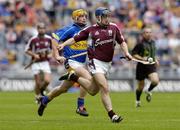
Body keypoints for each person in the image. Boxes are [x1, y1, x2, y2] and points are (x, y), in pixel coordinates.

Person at [48, 7, 132, 123]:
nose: (107, 19)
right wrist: (61, 48)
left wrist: (126, 52)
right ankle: (112, 115)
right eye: (104, 17)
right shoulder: (90, 30)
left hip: (105, 64)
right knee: (104, 87)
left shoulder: (114, 27)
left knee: (92, 91)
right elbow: (73, 39)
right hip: (93, 62)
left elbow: (122, 42)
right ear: (98, 18)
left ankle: (70, 80)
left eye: (108, 16)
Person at [37, 9, 90, 117]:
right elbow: (54, 39)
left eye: (85, 16)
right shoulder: (70, 29)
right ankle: (80, 106)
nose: (84, 18)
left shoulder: (86, 30)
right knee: (88, 79)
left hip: (81, 63)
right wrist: (56, 55)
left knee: (63, 89)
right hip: (71, 62)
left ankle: (45, 100)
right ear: (75, 18)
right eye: (81, 16)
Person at [131, 27, 159, 107]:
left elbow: (152, 53)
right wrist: (142, 58)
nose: (148, 33)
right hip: (141, 67)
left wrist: (155, 59)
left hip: (150, 66)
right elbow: (134, 54)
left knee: (155, 81)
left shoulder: (153, 42)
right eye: (146, 32)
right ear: (143, 34)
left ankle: (149, 90)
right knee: (140, 86)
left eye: (150, 32)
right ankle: (138, 101)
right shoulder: (140, 44)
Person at [25, 22, 52, 103]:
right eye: (40, 28)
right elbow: (26, 50)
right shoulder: (33, 39)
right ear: (37, 29)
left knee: (47, 81)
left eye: (43, 28)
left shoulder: (49, 38)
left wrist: (50, 55)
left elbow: (53, 49)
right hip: (35, 63)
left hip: (45, 62)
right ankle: (37, 96)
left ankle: (41, 92)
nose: (42, 30)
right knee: (37, 82)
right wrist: (34, 55)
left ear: (45, 29)